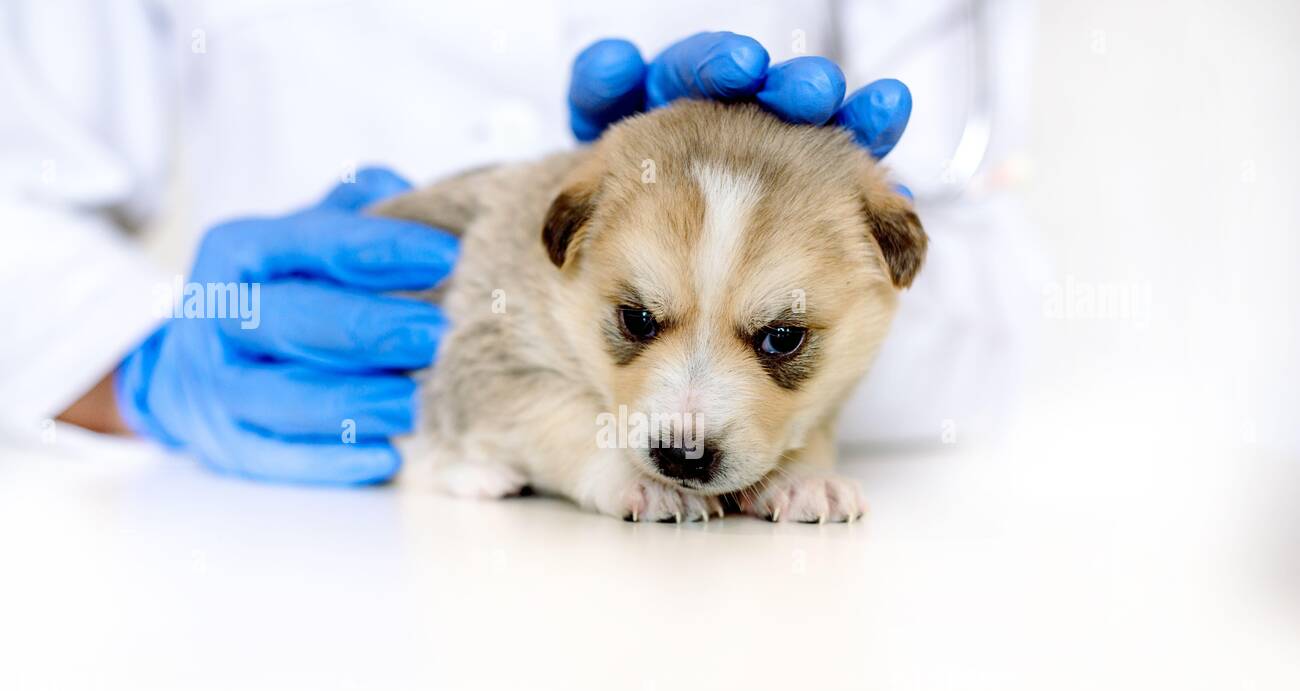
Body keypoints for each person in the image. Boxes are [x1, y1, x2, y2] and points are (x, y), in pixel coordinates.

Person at [0, 0, 1034, 484]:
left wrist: (787, 381)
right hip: (295, 543)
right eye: (637, 316)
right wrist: (145, 368)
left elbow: (977, 263)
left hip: (770, 610)